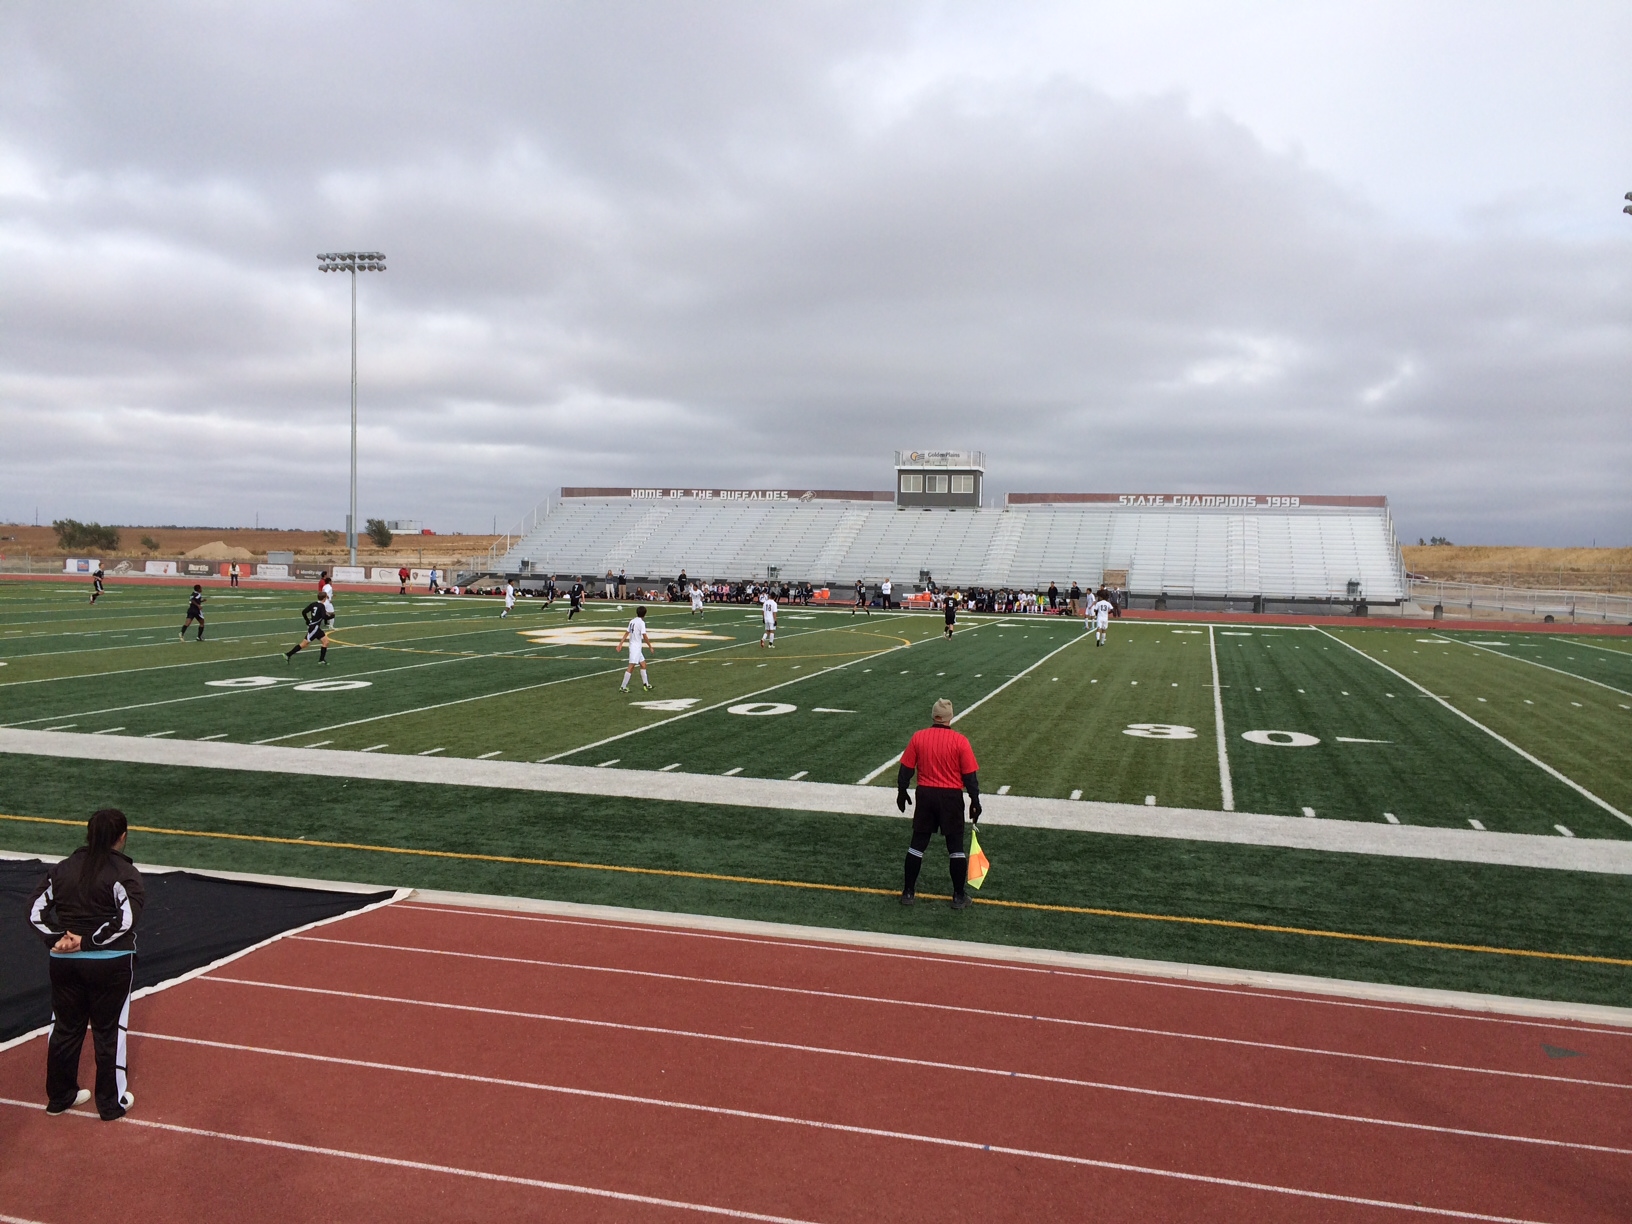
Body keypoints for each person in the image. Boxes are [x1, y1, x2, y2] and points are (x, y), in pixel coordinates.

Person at [29, 808, 144, 1120]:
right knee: (109, 1032)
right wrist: (89, 941)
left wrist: (58, 939)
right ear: (122, 837)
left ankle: (60, 1097)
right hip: (110, 964)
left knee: (65, 1028)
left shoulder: (62, 869)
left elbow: (34, 911)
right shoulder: (124, 873)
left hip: (64, 964)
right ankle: (110, 1103)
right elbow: (126, 920)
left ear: (88, 834)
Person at [895, 699, 981, 909]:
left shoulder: (919, 737)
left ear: (933, 715)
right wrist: (975, 800)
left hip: (926, 795)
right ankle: (958, 896)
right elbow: (970, 776)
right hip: (951, 797)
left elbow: (906, 769)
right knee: (955, 848)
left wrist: (902, 791)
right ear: (950, 717)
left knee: (917, 845)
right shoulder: (960, 741)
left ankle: (908, 892)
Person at [285, 595, 335, 663]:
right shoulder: (322, 606)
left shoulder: (313, 604)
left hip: (316, 628)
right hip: (314, 628)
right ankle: (288, 655)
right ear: (324, 598)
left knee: (326, 642)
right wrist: (331, 616)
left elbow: (304, 612)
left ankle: (321, 660)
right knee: (304, 644)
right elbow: (324, 616)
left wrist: (307, 620)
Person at [617, 605, 653, 692]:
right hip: (635, 648)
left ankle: (646, 684)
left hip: (635, 647)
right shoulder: (641, 623)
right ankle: (623, 687)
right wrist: (650, 646)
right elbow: (644, 636)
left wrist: (620, 644)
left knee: (643, 664)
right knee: (631, 666)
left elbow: (626, 633)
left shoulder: (632, 621)